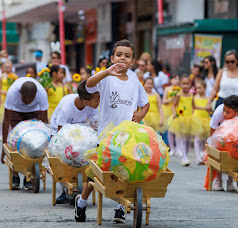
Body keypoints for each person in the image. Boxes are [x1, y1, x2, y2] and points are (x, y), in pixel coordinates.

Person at [75, 39, 150, 223]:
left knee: (127, 171)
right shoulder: (106, 78)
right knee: (96, 174)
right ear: (111, 57)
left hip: (127, 136)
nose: (122, 59)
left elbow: (145, 103)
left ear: (132, 61)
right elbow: (88, 86)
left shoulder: (134, 81)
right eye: (119, 55)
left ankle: (120, 209)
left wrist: (139, 116)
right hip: (106, 135)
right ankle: (82, 202)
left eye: (127, 56)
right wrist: (106, 71)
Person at [50, 80, 99, 204]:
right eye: (96, 101)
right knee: (63, 157)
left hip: (79, 130)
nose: (98, 103)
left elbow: (95, 123)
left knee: (83, 154)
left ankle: (80, 185)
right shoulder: (67, 107)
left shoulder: (91, 106)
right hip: (60, 131)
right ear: (85, 102)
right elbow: (61, 135)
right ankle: (64, 189)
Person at [1, 77, 49, 190]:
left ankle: (30, 176)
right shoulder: (12, 92)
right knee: (15, 141)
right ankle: (15, 175)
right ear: (19, 93)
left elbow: (44, 122)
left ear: (35, 95)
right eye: (24, 100)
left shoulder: (41, 93)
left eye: (30, 100)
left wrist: (46, 144)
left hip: (34, 112)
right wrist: (4, 146)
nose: (27, 103)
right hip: (16, 111)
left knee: (33, 143)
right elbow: (6, 120)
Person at [209, 95, 238, 191]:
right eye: (224, 110)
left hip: (234, 137)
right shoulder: (218, 112)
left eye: (228, 112)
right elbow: (212, 130)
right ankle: (218, 180)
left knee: (235, 154)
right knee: (221, 155)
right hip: (220, 136)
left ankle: (230, 181)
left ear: (237, 112)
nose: (225, 114)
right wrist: (211, 144)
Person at [168, 75, 203, 166]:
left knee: (188, 140)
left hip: (190, 119)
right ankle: (184, 157)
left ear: (190, 85)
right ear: (180, 84)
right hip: (181, 119)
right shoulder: (179, 95)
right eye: (183, 84)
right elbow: (173, 105)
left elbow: (194, 106)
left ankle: (185, 156)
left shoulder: (191, 95)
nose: (185, 86)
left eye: (187, 84)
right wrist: (174, 113)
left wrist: (204, 108)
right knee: (183, 138)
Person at [162, 74, 181, 156]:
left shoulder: (180, 89)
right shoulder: (167, 89)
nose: (177, 80)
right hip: (168, 110)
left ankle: (179, 149)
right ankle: (172, 148)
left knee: (177, 130)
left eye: (178, 79)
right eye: (175, 78)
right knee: (170, 130)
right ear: (171, 80)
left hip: (177, 109)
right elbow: (164, 101)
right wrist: (171, 99)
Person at [193, 80, 210, 165]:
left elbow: (210, 108)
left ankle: (203, 156)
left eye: (200, 88)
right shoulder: (195, 97)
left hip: (205, 119)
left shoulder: (208, 98)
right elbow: (193, 107)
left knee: (204, 139)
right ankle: (198, 157)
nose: (198, 90)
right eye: (197, 88)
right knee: (197, 139)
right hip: (197, 119)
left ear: (205, 88)